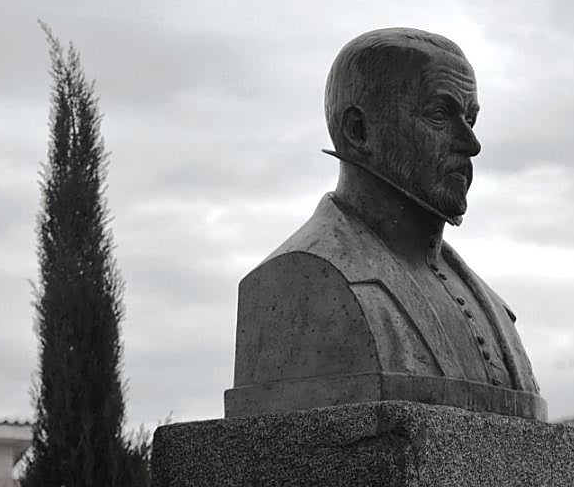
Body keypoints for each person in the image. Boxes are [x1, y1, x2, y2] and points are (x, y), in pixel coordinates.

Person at [226, 28, 545, 420]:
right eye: (440, 116)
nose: (471, 143)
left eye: (472, 118)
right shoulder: (298, 281)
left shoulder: (496, 311)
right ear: (359, 131)